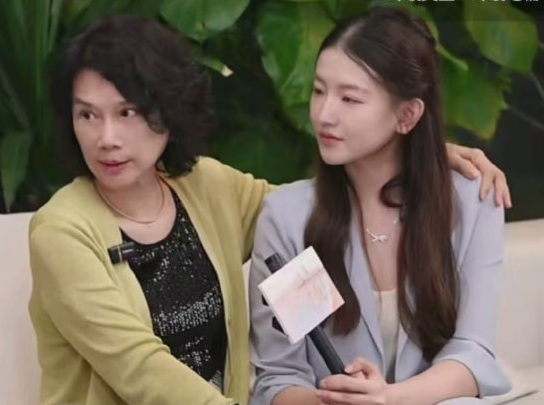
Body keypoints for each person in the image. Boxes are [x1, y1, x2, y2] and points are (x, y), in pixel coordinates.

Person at [28, 14, 509, 405]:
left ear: (167, 110)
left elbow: (316, 209)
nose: (106, 138)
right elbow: (140, 368)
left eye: (127, 112)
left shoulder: (207, 189)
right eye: (87, 114)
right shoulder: (63, 231)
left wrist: (425, 154)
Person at [249, 7, 511, 405]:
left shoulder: (473, 201)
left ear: (407, 115)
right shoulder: (289, 218)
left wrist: (388, 398)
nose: (324, 114)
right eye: (318, 91)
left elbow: (471, 352)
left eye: (349, 98)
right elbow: (282, 377)